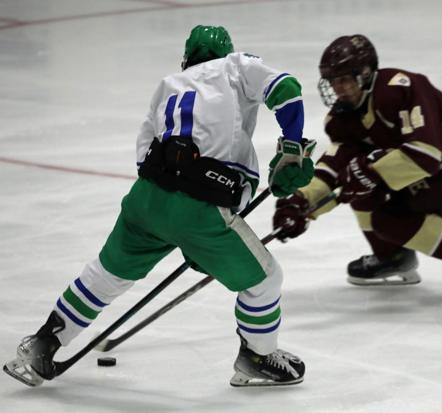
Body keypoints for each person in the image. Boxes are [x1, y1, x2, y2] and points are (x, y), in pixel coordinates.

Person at [4, 25, 315, 388]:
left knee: (105, 276)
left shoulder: (169, 84)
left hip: (146, 201)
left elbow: (144, 156)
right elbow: (286, 90)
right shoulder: (235, 66)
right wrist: (292, 149)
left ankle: (42, 344)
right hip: (199, 212)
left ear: (187, 59)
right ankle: (257, 356)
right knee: (265, 281)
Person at [272, 34, 442, 309]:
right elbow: (335, 168)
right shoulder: (341, 118)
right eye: (333, 81)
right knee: (362, 188)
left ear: (366, 73)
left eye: (346, 79)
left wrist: (369, 173)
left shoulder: (399, 89)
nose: (339, 88)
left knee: (387, 216)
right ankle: (393, 257)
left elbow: (425, 155)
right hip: (437, 170)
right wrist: (301, 203)